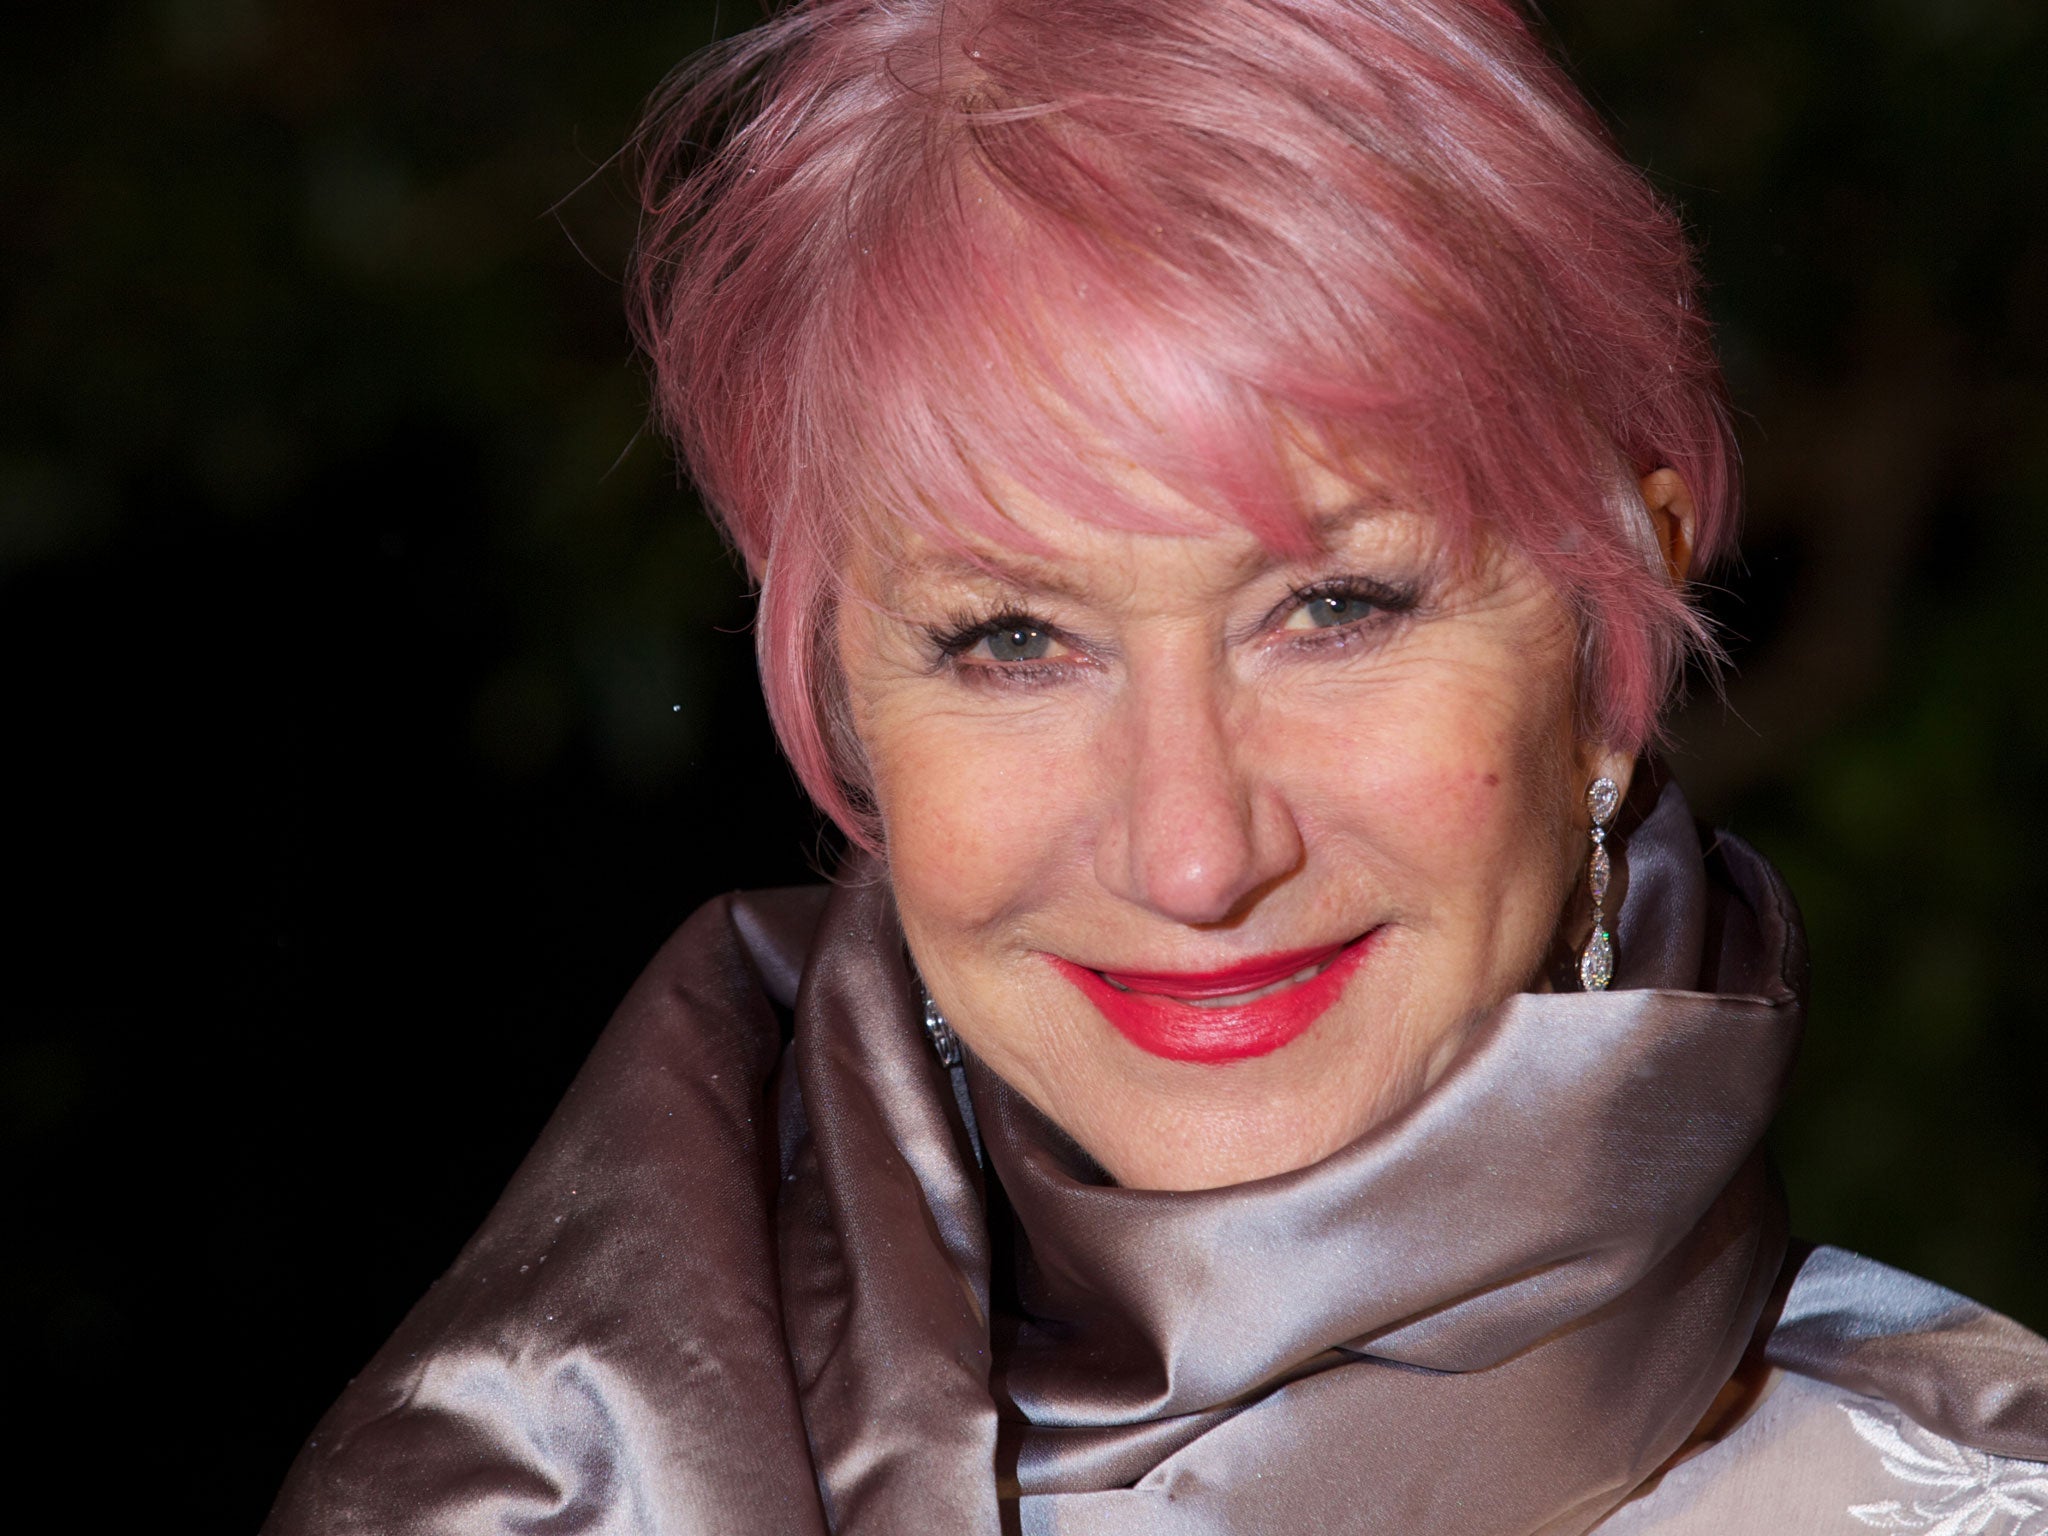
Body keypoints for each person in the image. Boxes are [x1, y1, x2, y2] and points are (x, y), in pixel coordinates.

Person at [261, 1, 2048, 1531]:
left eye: (1335, 606)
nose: (1195, 853)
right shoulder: (543, 1483)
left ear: (1608, 641)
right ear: (844, 700)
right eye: (1014, 640)